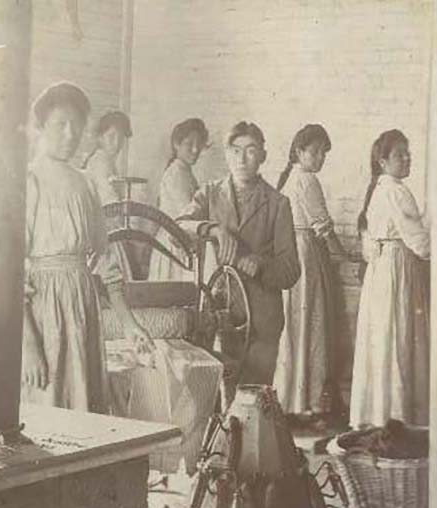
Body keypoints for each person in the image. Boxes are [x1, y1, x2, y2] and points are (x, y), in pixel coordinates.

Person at [22, 82, 152, 413]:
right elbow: (13, 273)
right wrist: (28, 346)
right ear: (39, 128)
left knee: (85, 401)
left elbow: (105, 260)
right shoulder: (29, 180)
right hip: (43, 309)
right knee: (49, 402)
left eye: (77, 126)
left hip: (83, 304)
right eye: (60, 125)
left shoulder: (85, 183)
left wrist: (129, 323)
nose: (70, 134)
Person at [175, 121, 300, 385]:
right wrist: (214, 229)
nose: (242, 159)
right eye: (235, 151)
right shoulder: (209, 194)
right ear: (226, 154)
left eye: (251, 150)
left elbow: (290, 270)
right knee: (214, 393)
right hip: (219, 311)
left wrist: (262, 265)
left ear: (262, 156)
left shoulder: (278, 204)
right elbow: (177, 227)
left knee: (252, 400)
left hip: (262, 320)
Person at [349, 129, 430, 430]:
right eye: (399, 154)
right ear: (383, 161)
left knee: (385, 336)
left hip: (382, 269)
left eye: (408, 153)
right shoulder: (394, 190)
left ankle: (379, 413)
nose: (407, 158)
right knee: (399, 333)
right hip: (397, 267)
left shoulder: (379, 189)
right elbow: (418, 240)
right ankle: (398, 417)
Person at [273, 124, 347, 425]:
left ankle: (291, 398)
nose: (319, 158)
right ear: (298, 151)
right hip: (304, 253)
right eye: (314, 151)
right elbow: (323, 225)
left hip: (292, 252)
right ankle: (308, 402)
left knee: (295, 326)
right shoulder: (306, 180)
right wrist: (342, 254)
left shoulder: (291, 178)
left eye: (323, 153)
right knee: (309, 324)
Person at [147, 118, 210, 281]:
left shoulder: (185, 173)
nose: (195, 149)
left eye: (199, 144)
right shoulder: (176, 174)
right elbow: (187, 215)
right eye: (189, 144)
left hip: (180, 242)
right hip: (172, 246)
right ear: (176, 144)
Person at [82, 110, 134, 279]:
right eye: (111, 136)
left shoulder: (108, 162)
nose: (116, 143)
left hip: (110, 224)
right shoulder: (100, 161)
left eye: (121, 138)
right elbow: (109, 201)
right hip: (104, 227)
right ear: (100, 138)